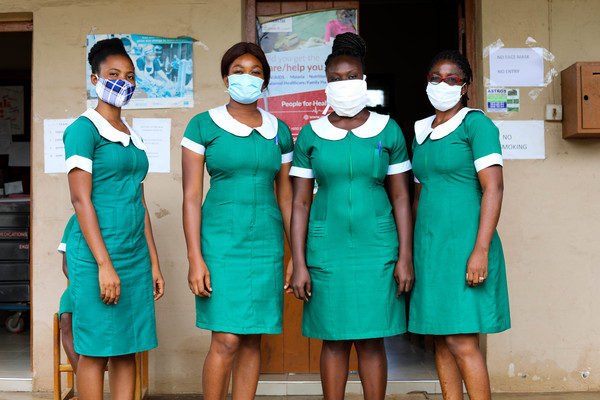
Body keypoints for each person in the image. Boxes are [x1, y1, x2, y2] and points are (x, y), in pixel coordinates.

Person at [290, 33, 413, 400]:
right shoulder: (310, 135)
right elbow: (299, 203)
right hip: (327, 250)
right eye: (335, 78)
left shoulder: (388, 130)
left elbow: (402, 196)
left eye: (351, 76)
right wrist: (299, 262)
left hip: (378, 248)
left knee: (373, 340)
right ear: (326, 83)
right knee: (334, 340)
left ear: (364, 80)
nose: (343, 84)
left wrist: (404, 256)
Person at [181, 42, 294, 400]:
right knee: (226, 339)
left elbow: (287, 197)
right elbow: (190, 197)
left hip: (266, 246)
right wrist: (194, 258)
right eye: (239, 70)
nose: (247, 77)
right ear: (226, 77)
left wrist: (296, 257)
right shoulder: (202, 125)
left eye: (256, 72)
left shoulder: (280, 130)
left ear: (265, 83)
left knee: (251, 339)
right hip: (220, 245)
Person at [63, 38, 165, 400]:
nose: (124, 81)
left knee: (127, 347)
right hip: (95, 254)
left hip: (134, 253)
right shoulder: (83, 130)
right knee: (95, 350)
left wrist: (153, 262)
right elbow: (80, 198)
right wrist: (104, 265)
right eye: (113, 74)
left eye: (129, 75)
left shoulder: (131, 134)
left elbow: (138, 200)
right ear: (95, 79)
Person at [409, 49, 511, 400]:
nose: (443, 84)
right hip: (430, 248)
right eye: (435, 77)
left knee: (461, 339)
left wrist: (480, 250)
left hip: (467, 244)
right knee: (440, 336)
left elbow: (493, 187)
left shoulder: (476, 124)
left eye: (452, 78)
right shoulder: (421, 132)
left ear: (466, 85)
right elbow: (419, 197)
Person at [57, 215, 79, 374]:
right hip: (80, 284)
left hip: (113, 282)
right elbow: (66, 265)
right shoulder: (74, 220)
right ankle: (83, 379)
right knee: (66, 316)